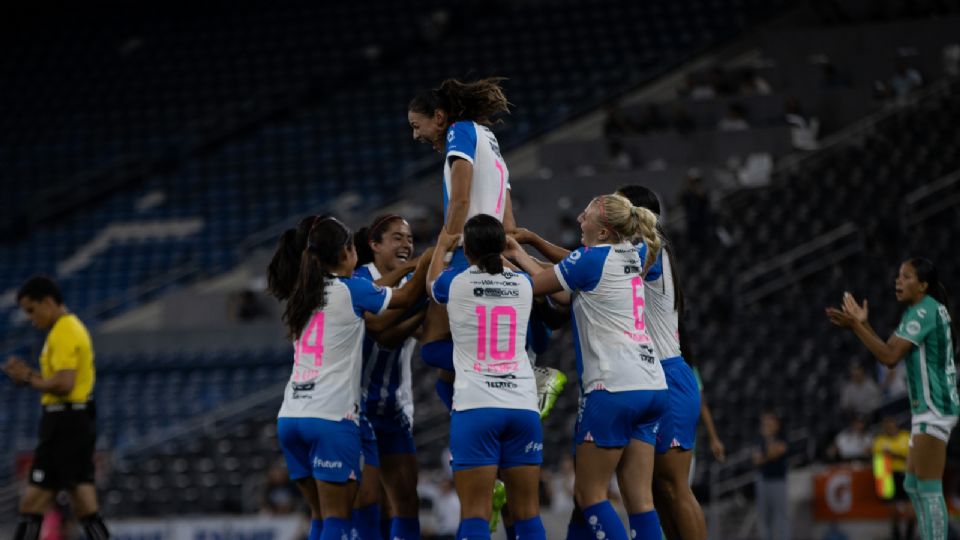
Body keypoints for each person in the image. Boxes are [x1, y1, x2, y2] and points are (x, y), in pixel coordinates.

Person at [505, 194, 666, 540]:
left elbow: (539, 285)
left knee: (590, 496)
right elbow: (567, 288)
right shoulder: (637, 254)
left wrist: (515, 258)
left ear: (604, 232)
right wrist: (527, 251)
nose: (579, 218)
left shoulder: (591, 261)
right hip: (651, 383)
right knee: (641, 500)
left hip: (612, 387)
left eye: (587, 215)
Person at [268, 216, 430, 540]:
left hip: (291, 417)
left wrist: (406, 265)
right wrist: (427, 261)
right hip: (331, 418)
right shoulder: (351, 289)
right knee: (339, 521)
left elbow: (372, 290)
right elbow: (407, 295)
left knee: (321, 518)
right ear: (347, 253)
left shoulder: (304, 292)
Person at [427, 214, 546, 540]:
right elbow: (537, 281)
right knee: (528, 514)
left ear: (469, 250)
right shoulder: (524, 283)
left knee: (475, 514)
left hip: (476, 407)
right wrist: (515, 252)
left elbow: (430, 282)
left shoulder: (456, 283)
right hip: (522, 407)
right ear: (502, 246)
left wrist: (442, 245)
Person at [407, 77, 517, 413]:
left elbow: (460, 198)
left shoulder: (460, 133)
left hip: (468, 255)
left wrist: (445, 245)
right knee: (447, 372)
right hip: (494, 251)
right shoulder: (489, 137)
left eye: (417, 125)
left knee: (431, 346)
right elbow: (509, 221)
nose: (416, 135)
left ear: (439, 117)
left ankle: (484, 393)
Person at [827, 257, 958, 540]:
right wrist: (863, 325)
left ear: (923, 285)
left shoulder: (922, 313)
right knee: (912, 484)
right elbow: (888, 350)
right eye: (898, 275)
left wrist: (855, 327)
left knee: (929, 488)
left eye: (907, 276)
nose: (898, 281)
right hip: (932, 407)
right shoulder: (927, 309)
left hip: (934, 408)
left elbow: (888, 358)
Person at [616, 184, 708, 540]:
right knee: (657, 490)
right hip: (654, 377)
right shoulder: (645, 249)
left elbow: (590, 268)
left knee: (674, 487)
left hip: (668, 375)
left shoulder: (649, 250)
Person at [2, 276, 110, 540]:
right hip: (75, 421)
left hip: (64, 423)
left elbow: (63, 383)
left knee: (32, 505)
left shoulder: (63, 330)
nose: (30, 318)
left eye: (31, 310)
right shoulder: (69, 328)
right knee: (85, 505)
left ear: (47, 302)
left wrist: (28, 377)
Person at [353, 214, 426, 540]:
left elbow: (429, 334)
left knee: (407, 497)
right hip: (356, 408)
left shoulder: (410, 286)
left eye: (409, 239)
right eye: (397, 237)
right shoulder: (360, 280)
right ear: (375, 244)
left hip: (393, 410)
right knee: (369, 499)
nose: (406, 244)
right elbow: (380, 330)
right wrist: (419, 288)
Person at [872, 417, 914, 540]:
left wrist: (895, 456)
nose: (889, 429)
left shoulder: (907, 437)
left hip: (906, 475)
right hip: (887, 476)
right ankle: (896, 535)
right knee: (892, 510)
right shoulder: (879, 441)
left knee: (911, 510)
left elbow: (914, 457)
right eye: (886, 427)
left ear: (896, 426)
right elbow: (878, 461)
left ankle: (909, 536)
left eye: (891, 425)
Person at [753, 411, 790, 540]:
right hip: (763, 480)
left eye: (769, 423)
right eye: (765, 423)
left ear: (777, 424)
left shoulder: (783, 437)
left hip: (778, 480)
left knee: (781, 516)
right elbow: (756, 460)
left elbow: (777, 452)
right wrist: (768, 454)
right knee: (764, 518)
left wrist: (767, 450)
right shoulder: (759, 439)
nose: (767, 425)